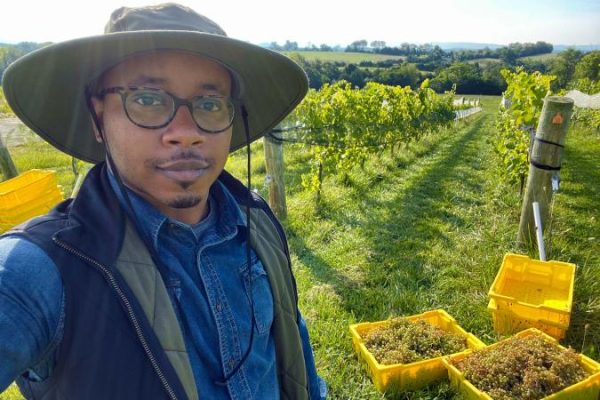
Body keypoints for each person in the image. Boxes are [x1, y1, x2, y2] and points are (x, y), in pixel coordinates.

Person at [0, 3, 326, 399]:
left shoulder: (255, 222)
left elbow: (292, 341)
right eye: (149, 99)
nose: (185, 133)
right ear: (97, 117)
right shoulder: (41, 268)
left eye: (209, 104)